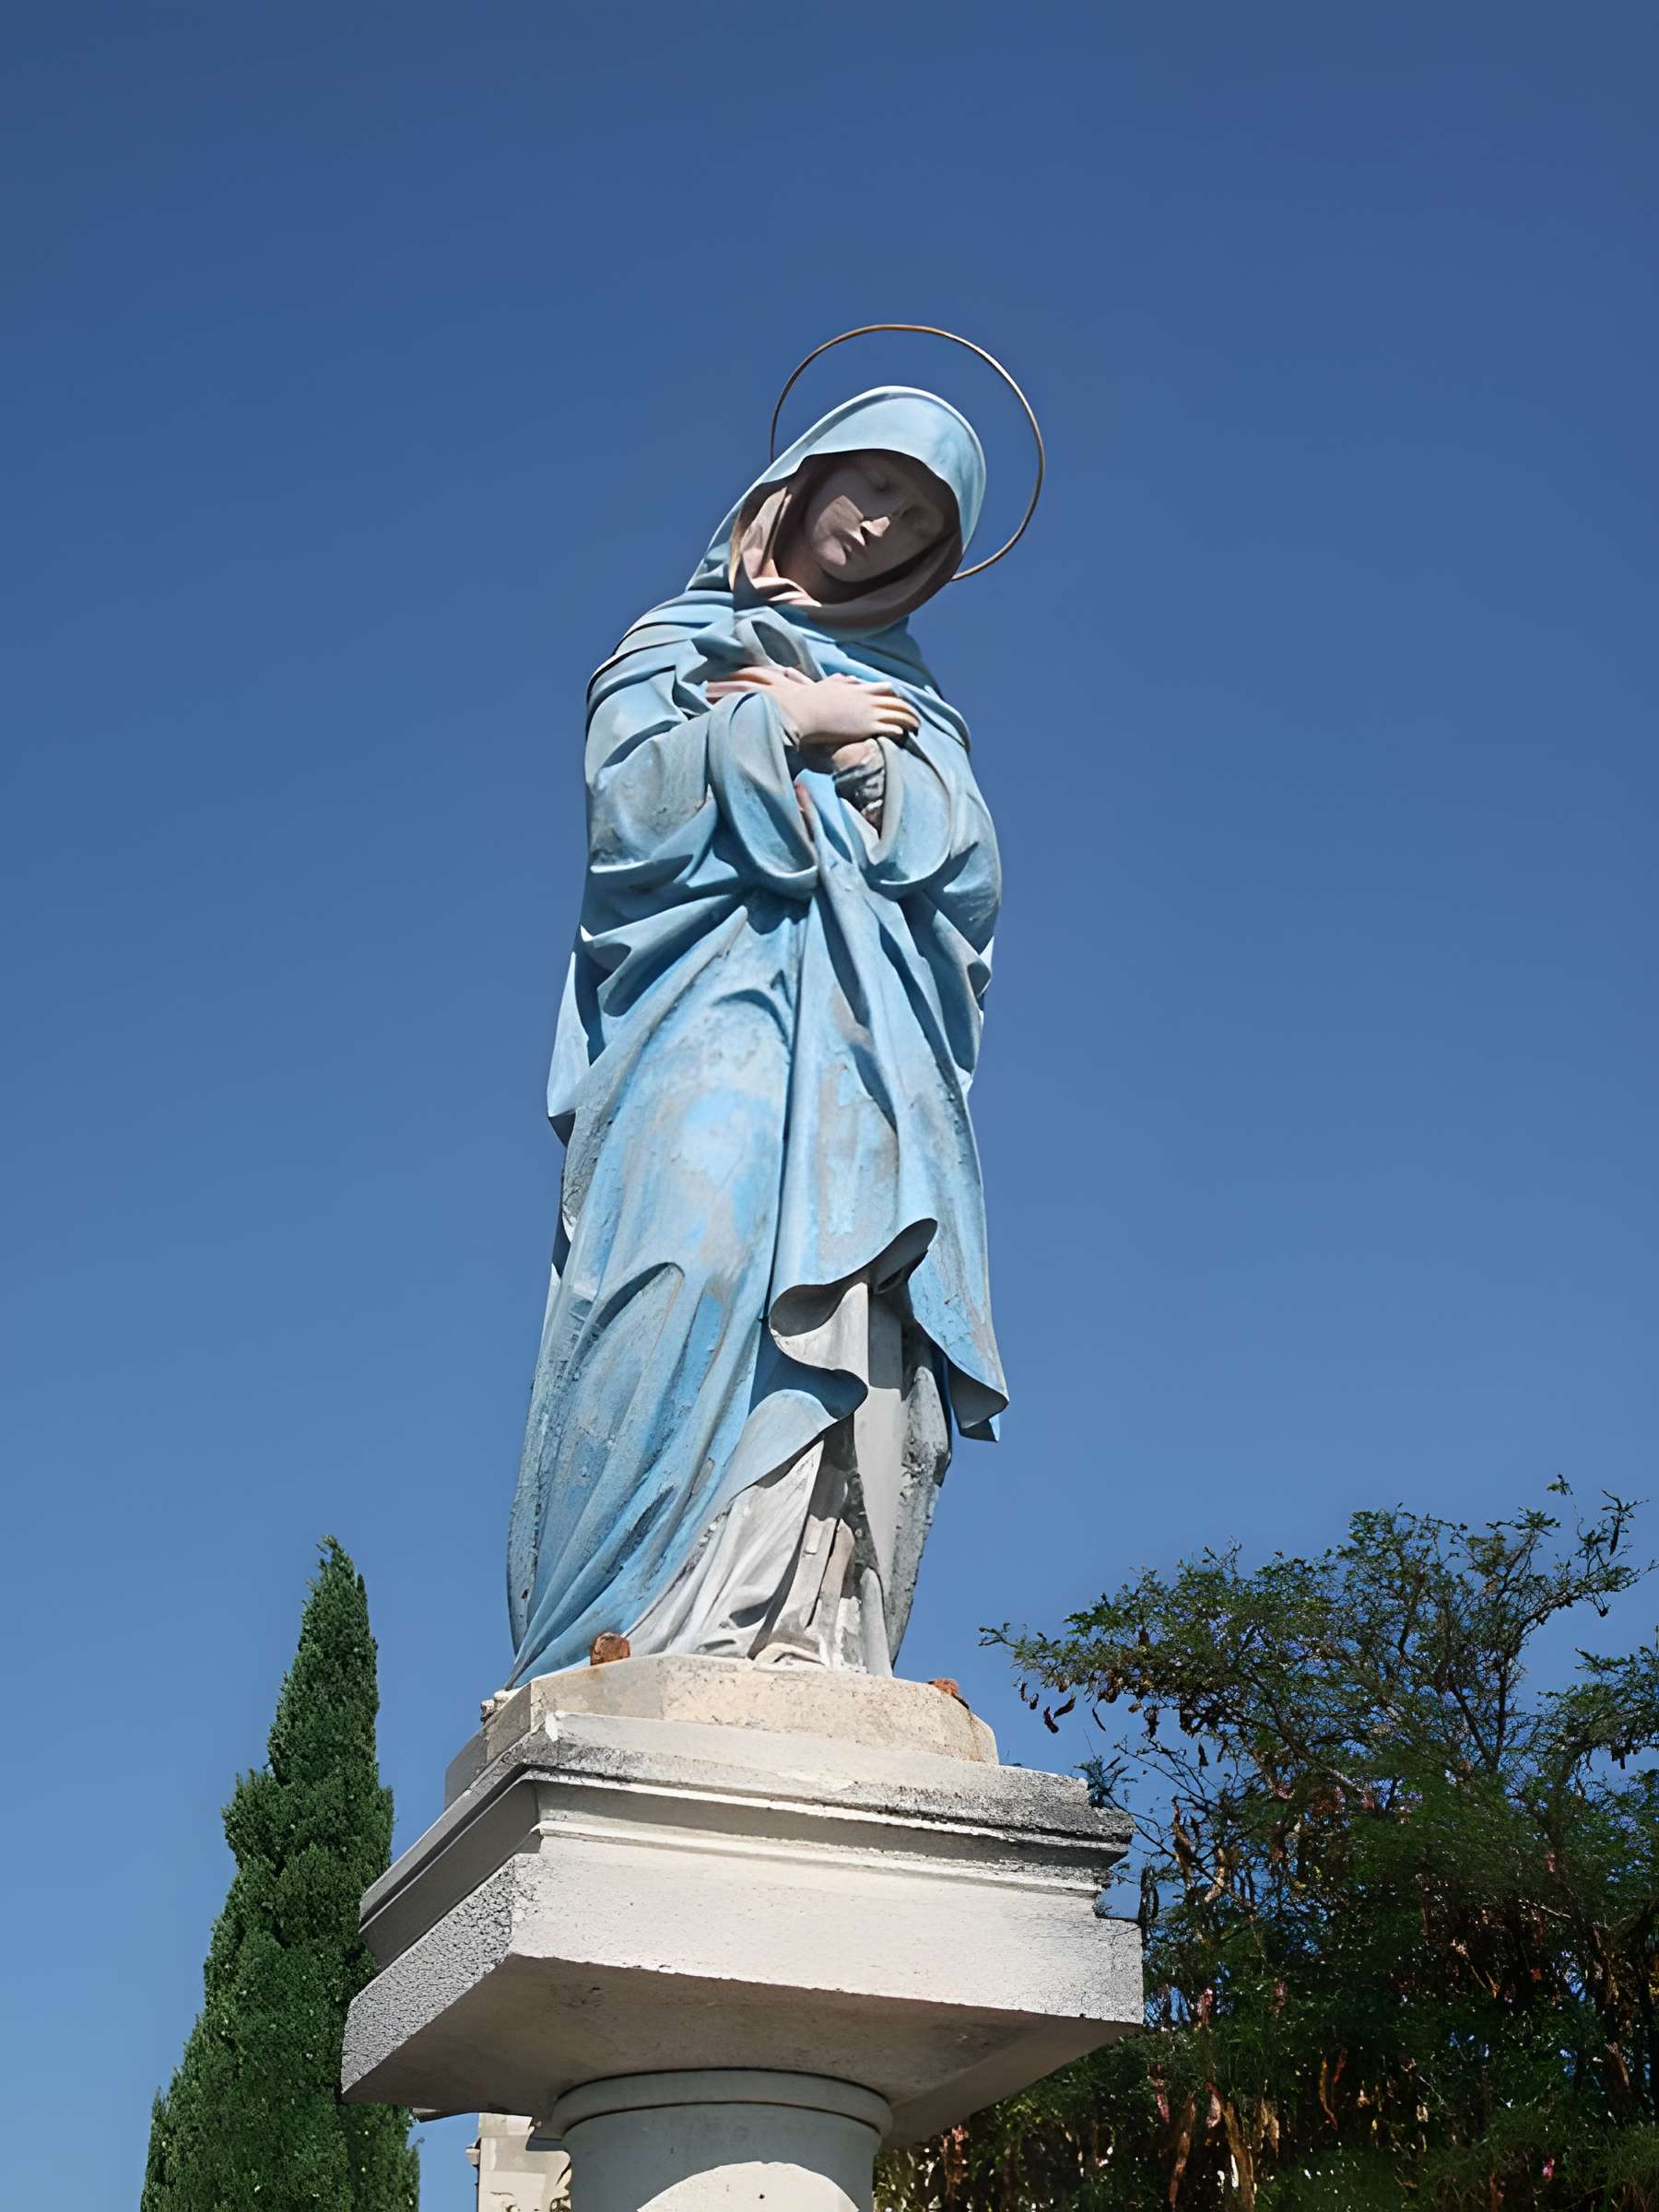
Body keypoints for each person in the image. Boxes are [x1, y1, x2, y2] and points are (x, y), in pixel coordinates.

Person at [506, 388, 1007, 1686]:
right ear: (803, 480)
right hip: (705, 1009)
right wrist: (779, 722)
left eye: (914, 520)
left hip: (864, 1056)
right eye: (873, 486)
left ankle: (808, 1630)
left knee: (859, 1313)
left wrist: (877, 771)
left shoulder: (919, 704)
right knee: (685, 1259)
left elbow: (966, 885)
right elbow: (628, 817)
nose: (881, 524)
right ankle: (614, 1628)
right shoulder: (675, 644)